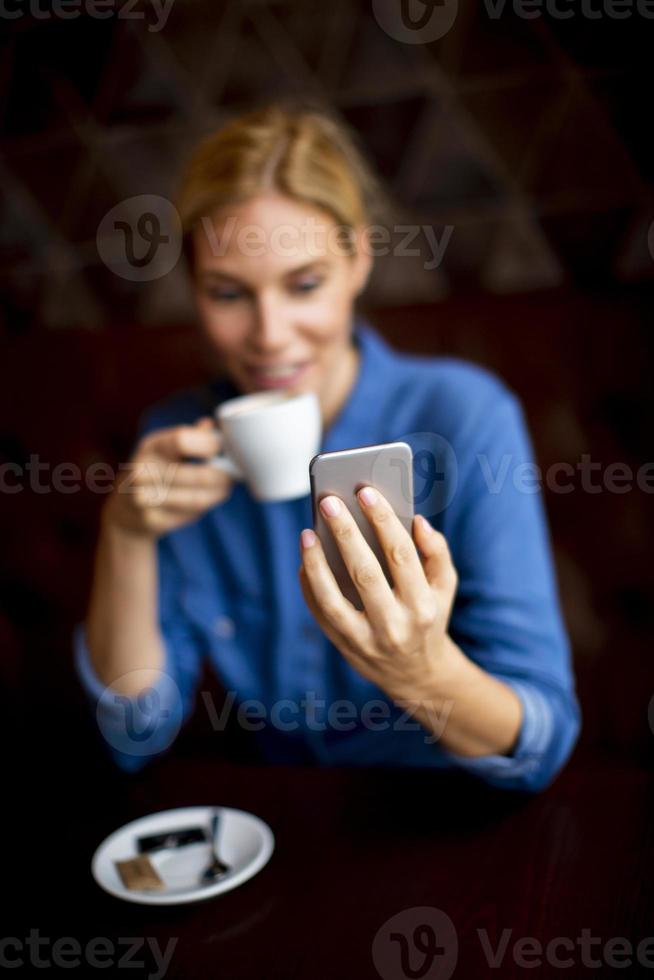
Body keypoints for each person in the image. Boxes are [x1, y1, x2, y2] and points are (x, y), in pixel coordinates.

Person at [74, 102, 580, 792]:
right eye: (228, 293)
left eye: (304, 284)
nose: (271, 334)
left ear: (359, 259)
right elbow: (136, 733)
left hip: (445, 815)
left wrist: (419, 670)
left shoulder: (462, 417)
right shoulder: (178, 444)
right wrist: (125, 536)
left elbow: (541, 738)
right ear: (193, 290)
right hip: (281, 828)